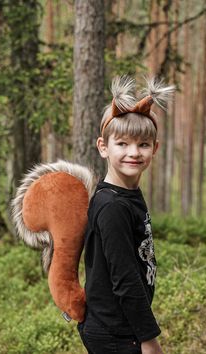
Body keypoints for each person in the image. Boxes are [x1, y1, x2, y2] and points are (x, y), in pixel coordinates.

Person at [76, 75, 175, 354]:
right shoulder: (112, 207)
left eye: (143, 144)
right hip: (116, 334)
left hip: (118, 328)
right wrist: (149, 339)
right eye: (122, 144)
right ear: (103, 147)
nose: (134, 153)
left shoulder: (127, 195)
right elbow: (125, 279)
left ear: (154, 149)